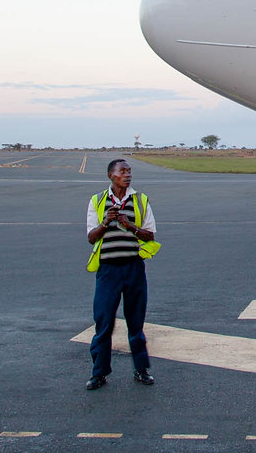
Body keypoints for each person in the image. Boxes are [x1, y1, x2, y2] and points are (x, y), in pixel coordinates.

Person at [84, 158, 158, 390]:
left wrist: (130, 226)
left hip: (133, 268)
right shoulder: (97, 201)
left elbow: (150, 235)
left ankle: (141, 369)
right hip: (108, 270)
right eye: (122, 171)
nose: (127, 175)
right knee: (103, 321)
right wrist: (106, 222)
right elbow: (91, 237)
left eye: (129, 171)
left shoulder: (141, 200)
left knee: (135, 321)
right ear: (111, 176)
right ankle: (99, 372)